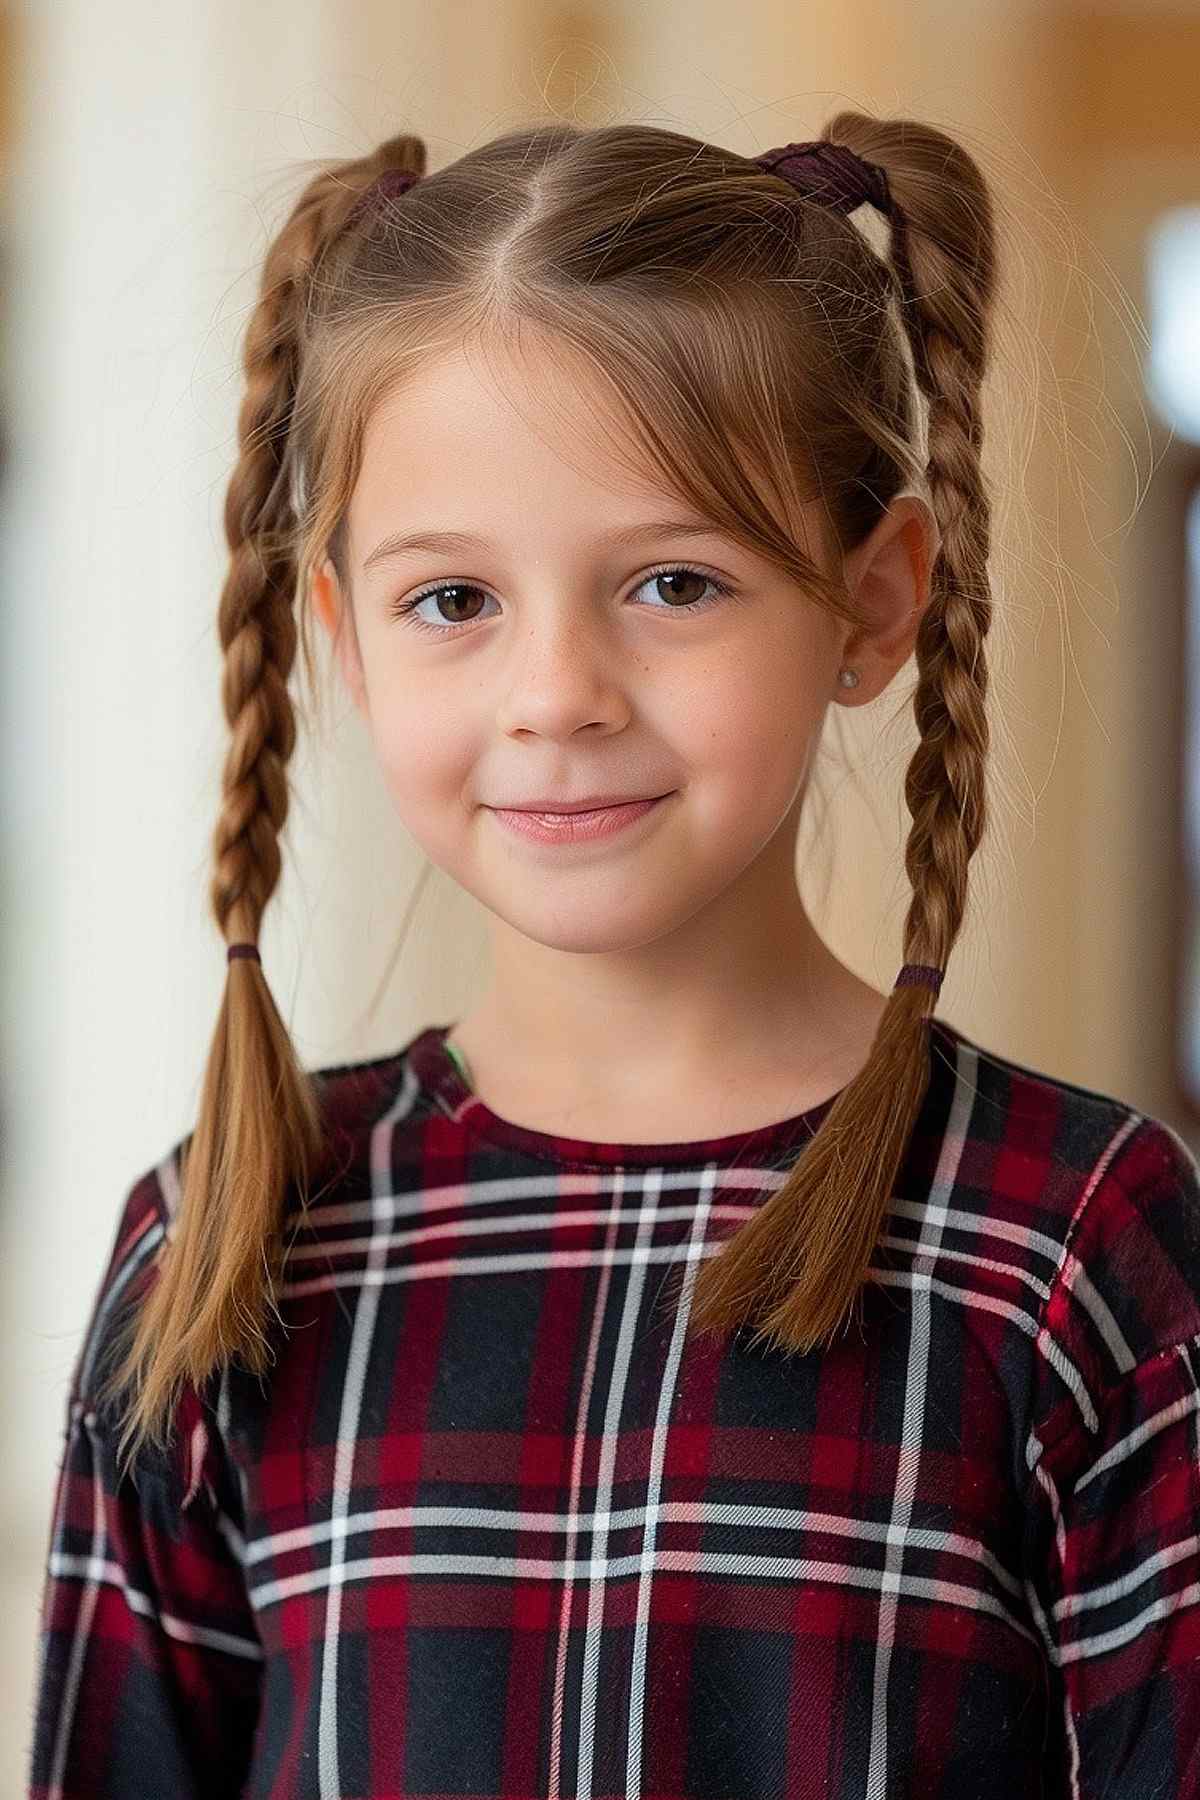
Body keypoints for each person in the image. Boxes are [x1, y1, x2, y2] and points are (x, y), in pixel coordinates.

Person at [28, 114, 1200, 1800]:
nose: (559, 689)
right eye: (455, 601)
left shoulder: (1075, 1248)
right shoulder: (226, 1250)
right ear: (341, 637)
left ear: (876, 606)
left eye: (672, 581)